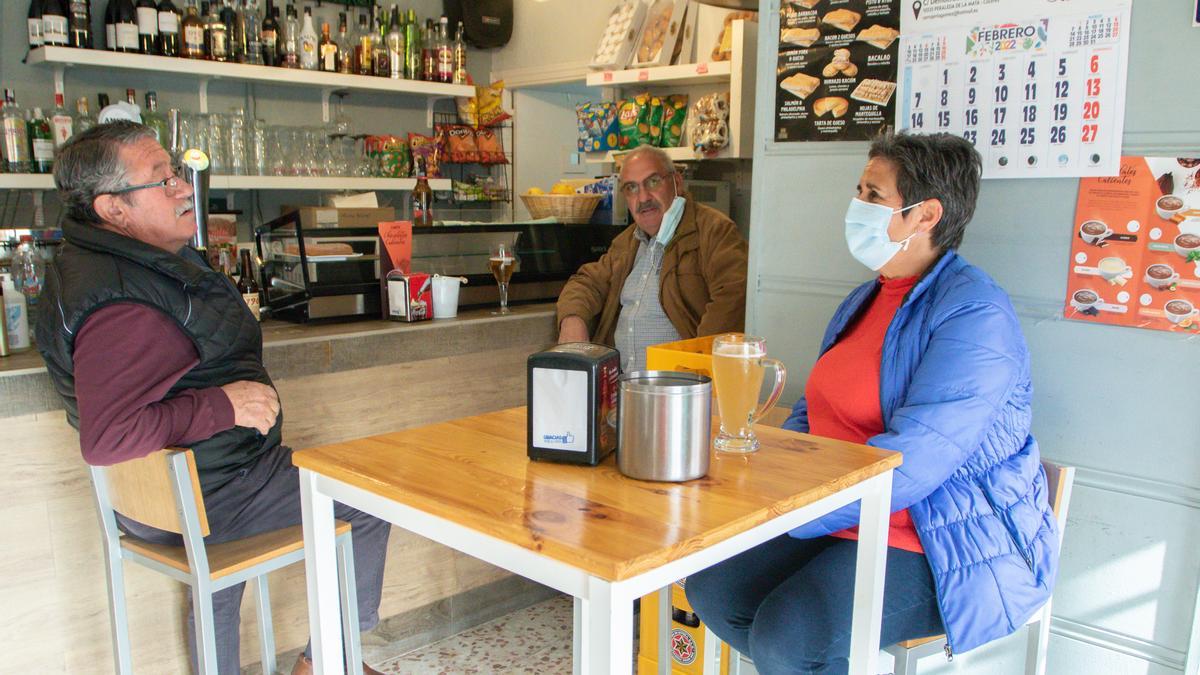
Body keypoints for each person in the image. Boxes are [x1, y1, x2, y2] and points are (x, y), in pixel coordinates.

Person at [685, 132, 1059, 673]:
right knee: (713, 590)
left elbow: (915, 463)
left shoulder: (978, 315)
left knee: (789, 635)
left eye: (873, 194)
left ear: (925, 214)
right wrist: (766, 485)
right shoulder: (864, 299)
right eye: (859, 189)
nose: (856, 205)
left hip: (939, 540)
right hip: (844, 516)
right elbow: (815, 414)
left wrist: (788, 513)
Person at [36, 121, 389, 675]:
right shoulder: (121, 303)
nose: (183, 187)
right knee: (368, 503)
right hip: (212, 489)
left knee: (220, 563)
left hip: (192, 487)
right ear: (113, 209)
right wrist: (227, 406)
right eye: (163, 179)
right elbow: (107, 438)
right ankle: (328, 664)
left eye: (176, 172)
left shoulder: (110, 263)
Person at [556, 145, 749, 371]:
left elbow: (733, 298)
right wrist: (572, 320)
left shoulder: (714, 231)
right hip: (621, 390)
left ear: (677, 182)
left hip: (679, 391)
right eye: (632, 188)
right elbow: (586, 282)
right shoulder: (627, 242)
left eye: (653, 182)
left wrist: (695, 373)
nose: (643, 197)